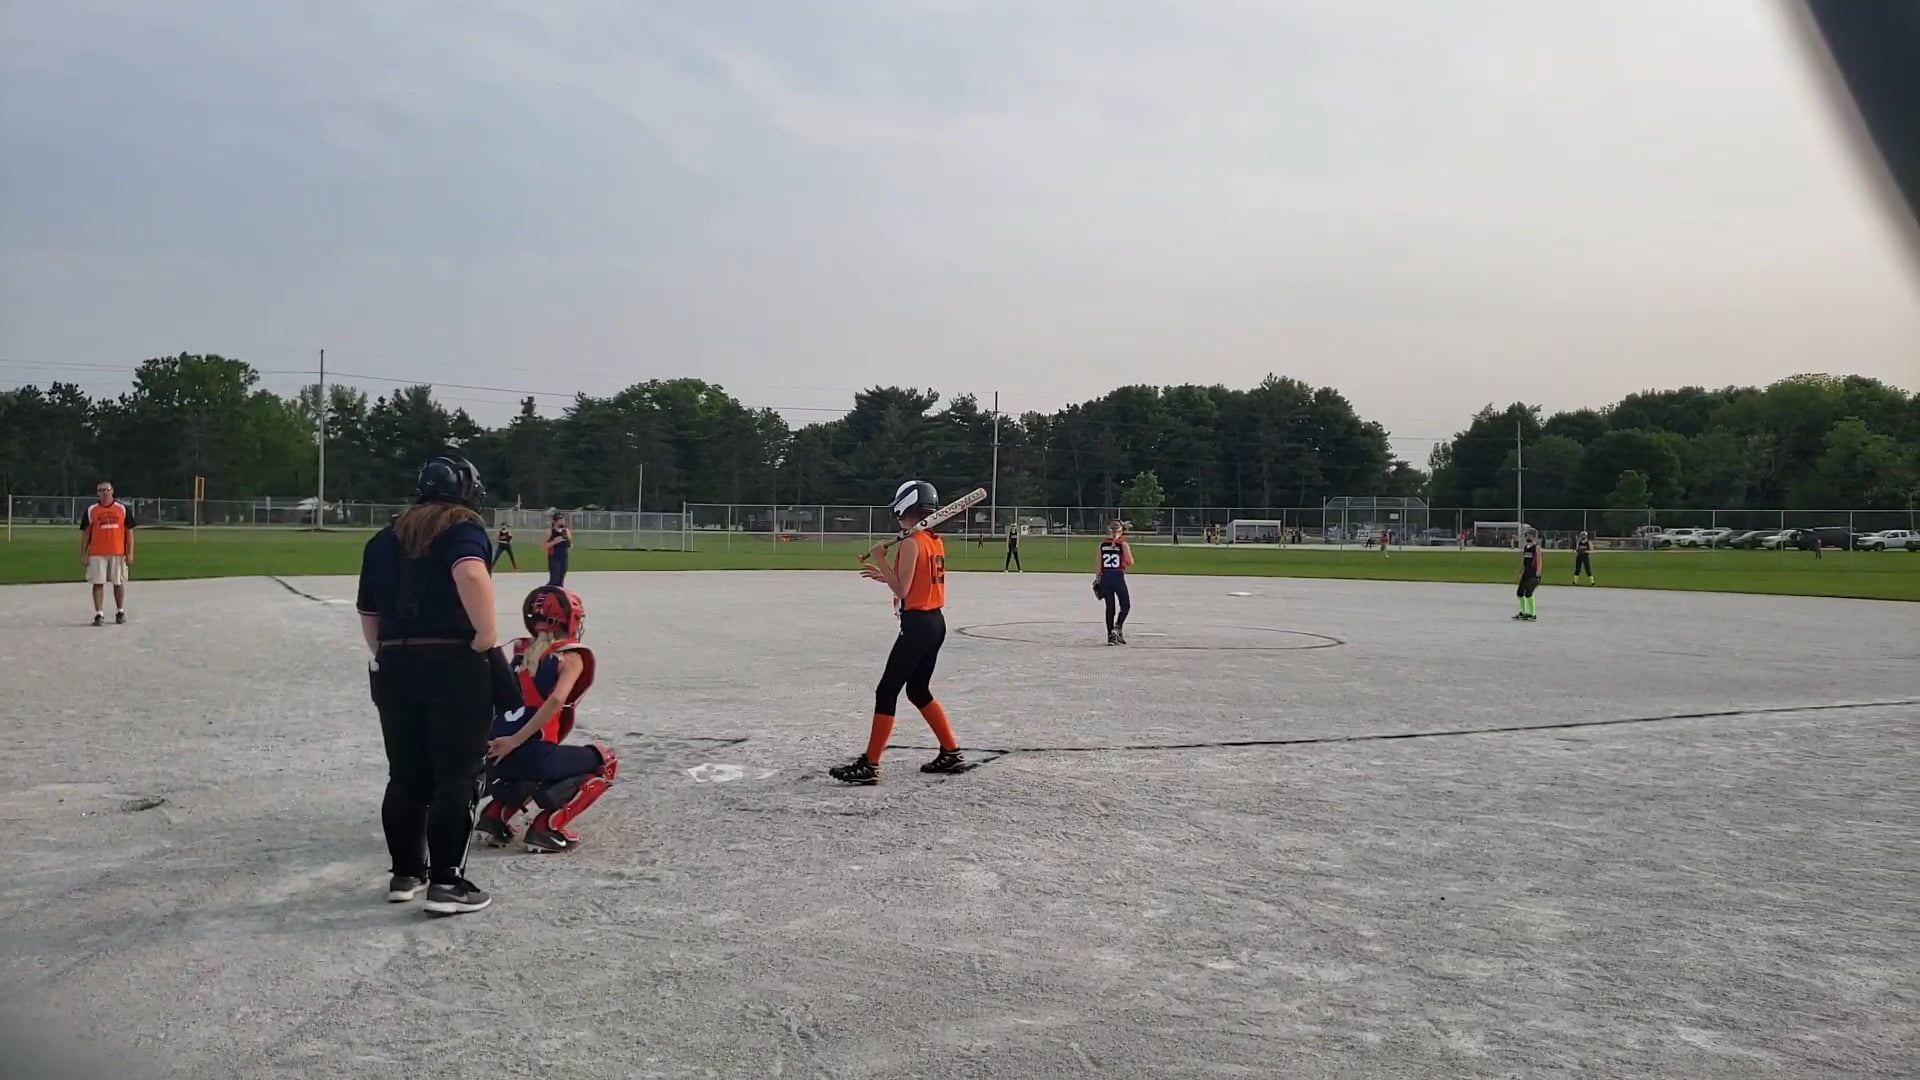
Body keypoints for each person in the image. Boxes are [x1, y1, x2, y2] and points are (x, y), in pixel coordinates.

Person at [357, 454, 513, 916]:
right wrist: (485, 635)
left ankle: (406, 873)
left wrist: (388, 651)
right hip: (452, 662)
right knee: (457, 774)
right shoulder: (461, 527)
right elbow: (470, 572)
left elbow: (368, 613)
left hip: (395, 662)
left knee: (406, 774)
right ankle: (447, 883)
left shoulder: (384, 537)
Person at [829, 480, 966, 785]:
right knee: (917, 690)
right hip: (934, 622)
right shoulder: (932, 540)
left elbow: (903, 589)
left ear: (905, 508)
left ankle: (870, 764)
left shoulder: (911, 542)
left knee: (886, 691)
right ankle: (951, 751)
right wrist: (885, 575)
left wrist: (880, 557)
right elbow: (914, 581)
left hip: (917, 626)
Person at [475, 585, 618, 854]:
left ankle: (494, 817)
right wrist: (516, 740)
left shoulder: (519, 651)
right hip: (529, 754)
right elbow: (555, 700)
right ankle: (547, 827)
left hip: (495, 755)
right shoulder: (570, 655)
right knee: (605, 759)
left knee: (536, 761)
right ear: (569, 619)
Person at [79, 481, 135, 626]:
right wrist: (84, 553)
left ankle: (120, 611)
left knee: (118, 582)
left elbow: (129, 532)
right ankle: (99, 613)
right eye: (101, 490)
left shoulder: (122, 509)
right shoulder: (91, 510)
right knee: (98, 583)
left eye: (107, 490)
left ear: (112, 491)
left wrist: (130, 552)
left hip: (117, 551)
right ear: (97, 493)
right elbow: (86, 533)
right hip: (97, 552)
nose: (104, 493)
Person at [1096, 519, 1134, 645]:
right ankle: (1117, 628)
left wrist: (1098, 579)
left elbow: (1098, 564)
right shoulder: (1122, 544)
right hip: (1117, 576)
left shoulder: (1102, 545)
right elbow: (1130, 562)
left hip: (1105, 577)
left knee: (1110, 607)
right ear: (1121, 531)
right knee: (1125, 605)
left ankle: (1110, 636)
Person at [1514, 527, 1543, 620]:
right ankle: (1523, 612)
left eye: (1529, 535)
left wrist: (1537, 575)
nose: (1527, 537)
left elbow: (1539, 562)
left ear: (1533, 536)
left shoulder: (1536, 548)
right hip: (1526, 574)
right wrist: (1520, 572)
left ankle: (1532, 614)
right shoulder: (1526, 548)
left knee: (1528, 594)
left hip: (1533, 574)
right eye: (1527, 535)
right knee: (1520, 593)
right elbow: (1524, 562)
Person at [544, 512, 572, 585]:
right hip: (554, 557)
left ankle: (558, 591)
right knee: (554, 579)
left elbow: (570, 543)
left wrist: (568, 545)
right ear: (555, 521)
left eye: (563, 520)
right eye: (560, 520)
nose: (563, 521)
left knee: (560, 580)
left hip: (564, 556)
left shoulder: (566, 531)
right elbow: (543, 546)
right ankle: (545, 591)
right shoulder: (550, 531)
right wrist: (554, 542)